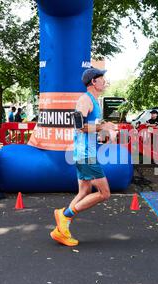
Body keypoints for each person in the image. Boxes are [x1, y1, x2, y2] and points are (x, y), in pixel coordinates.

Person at [50, 67, 117, 247]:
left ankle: (61, 231)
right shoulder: (84, 100)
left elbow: (92, 126)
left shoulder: (94, 101)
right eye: (101, 78)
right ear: (93, 82)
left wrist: (106, 128)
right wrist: (104, 128)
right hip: (85, 154)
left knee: (85, 191)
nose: (104, 81)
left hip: (86, 152)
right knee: (104, 193)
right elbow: (80, 127)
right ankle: (64, 215)